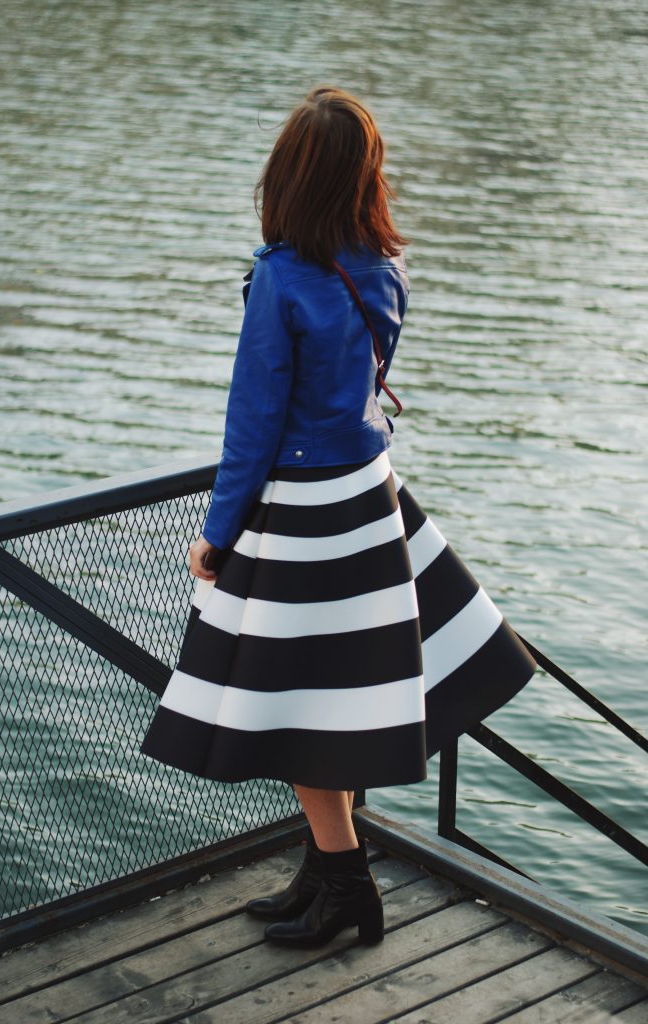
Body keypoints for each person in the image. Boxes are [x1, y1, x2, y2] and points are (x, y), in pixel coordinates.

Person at [140, 85, 537, 949]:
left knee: (299, 712)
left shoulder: (281, 278)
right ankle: (323, 878)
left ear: (288, 178)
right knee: (335, 704)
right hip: (369, 498)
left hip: (305, 514)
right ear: (364, 178)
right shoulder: (385, 264)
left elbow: (252, 424)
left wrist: (217, 533)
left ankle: (350, 887)